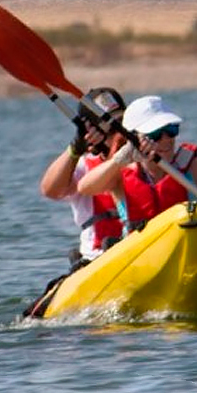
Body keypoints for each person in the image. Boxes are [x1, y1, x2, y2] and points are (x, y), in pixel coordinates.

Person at [76, 95, 197, 250]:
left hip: (193, 249)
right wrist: (120, 158)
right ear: (134, 137)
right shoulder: (121, 173)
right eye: (155, 134)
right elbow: (85, 188)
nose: (166, 140)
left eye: (171, 130)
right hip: (142, 255)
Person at [38, 87, 129, 267]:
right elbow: (50, 190)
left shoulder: (145, 156)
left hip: (142, 247)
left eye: (121, 122)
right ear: (93, 133)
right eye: (111, 127)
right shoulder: (84, 167)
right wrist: (74, 149)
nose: (119, 133)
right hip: (98, 258)